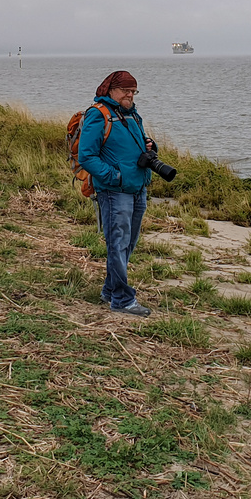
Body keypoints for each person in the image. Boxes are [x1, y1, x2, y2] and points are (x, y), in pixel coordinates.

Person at [77, 69, 157, 316]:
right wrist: (114, 177)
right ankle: (122, 300)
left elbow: (135, 145)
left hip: (137, 188)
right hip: (114, 191)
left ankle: (110, 291)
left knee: (128, 243)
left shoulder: (132, 115)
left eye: (133, 91)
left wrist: (150, 148)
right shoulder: (98, 115)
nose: (130, 95)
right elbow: (86, 156)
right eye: (125, 90)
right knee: (117, 243)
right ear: (110, 89)